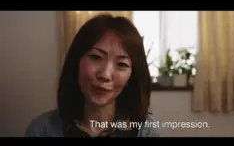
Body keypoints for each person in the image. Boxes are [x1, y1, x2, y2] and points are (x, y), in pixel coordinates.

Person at [25, 13, 160, 137]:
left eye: (122, 64)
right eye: (95, 57)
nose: (105, 75)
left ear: (132, 75)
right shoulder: (42, 130)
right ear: (76, 62)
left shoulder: (146, 131)